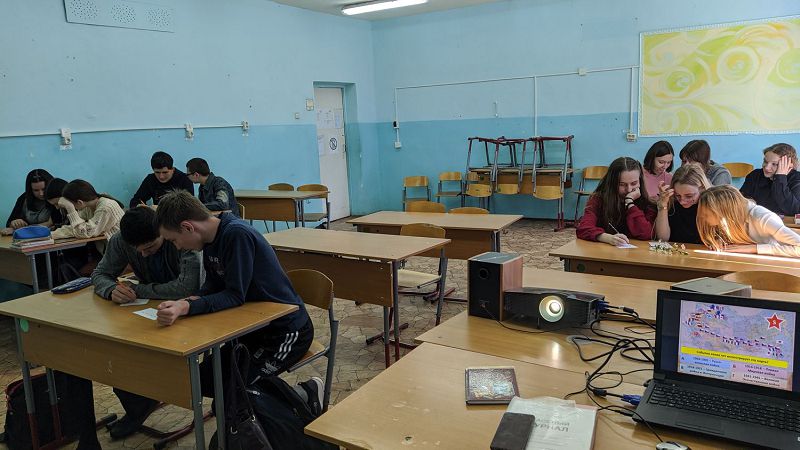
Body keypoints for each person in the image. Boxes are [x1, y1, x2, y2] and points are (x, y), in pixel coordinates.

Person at [154, 190, 313, 385]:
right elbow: (213, 284)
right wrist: (189, 301)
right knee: (205, 381)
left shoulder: (237, 234)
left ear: (188, 227)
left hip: (285, 330)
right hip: (252, 330)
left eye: (173, 240)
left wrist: (187, 307)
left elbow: (235, 295)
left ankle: (307, 392)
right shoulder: (209, 239)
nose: (177, 247)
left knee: (237, 388)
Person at [90, 206, 203, 439]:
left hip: (188, 311)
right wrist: (111, 289)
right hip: (145, 312)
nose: (142, 255)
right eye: (137, 250)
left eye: (150, 247)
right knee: (117, 348)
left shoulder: (180, 238)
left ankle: (154, 397)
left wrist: (138, 289)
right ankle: (138, 406)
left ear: (163, 232)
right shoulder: (121, 240)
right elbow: (99, 274)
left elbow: (187, 287)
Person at [697, 185, 800, 257]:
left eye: (706, 215)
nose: (702, 217)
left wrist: (755, 248)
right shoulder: (728, 219)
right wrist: (719, 240)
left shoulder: (762, 218)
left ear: (723, 211)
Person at [577, 156, 656, 246]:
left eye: (634, 183)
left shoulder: (647, 203)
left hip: (637, 252)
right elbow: (583, 228)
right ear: (612, 183)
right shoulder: (598, 199)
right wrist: (607, 238)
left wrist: (630, 203)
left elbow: (647, 234)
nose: (629, 189)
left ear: (640, 181)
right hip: (604, 250)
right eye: (622, 184)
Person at [51, 179, 125, 244]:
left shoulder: (106, 207)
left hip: (121, 251)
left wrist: (70, 208)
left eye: (71, 204)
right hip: (107, 248)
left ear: (80, 202)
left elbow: (85, 233)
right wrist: (52, 234)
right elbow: (76, 229)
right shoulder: (88, 207)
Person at [654, 163, 711, 244]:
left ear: (702, 188)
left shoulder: (712, 205)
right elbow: (663, 239)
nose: (682, 201)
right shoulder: (672, 203)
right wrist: (662, 205)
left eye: (689, 196)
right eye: (678, 195)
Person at [739, 143, 800, 216]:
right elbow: (741, 199)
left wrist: (780, 177)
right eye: (765, 161)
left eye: (774, 164)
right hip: (757, 220)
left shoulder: (797, 179)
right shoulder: (755, 175)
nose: (767, 168)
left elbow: (794, 210)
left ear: (789, 165)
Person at [2, 169, 62, 235]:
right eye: (36, 190)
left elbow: (54, 223)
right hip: (27, 237)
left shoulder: (56, 197)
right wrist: (14, 223)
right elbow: (9, 223)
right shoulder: (24, 198)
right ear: (30, 190)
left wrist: (20, 230)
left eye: (44, 189)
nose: (41, 193)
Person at [129, 151, 194, 208]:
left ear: (172, 169)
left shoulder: (185, 179)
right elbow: (135, 200)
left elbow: (190, 206)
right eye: (157, 172)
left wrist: (163, 210)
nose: (161, 177)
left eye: (165, 172)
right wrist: (139, 206)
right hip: (157, 216)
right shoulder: (150, 179)